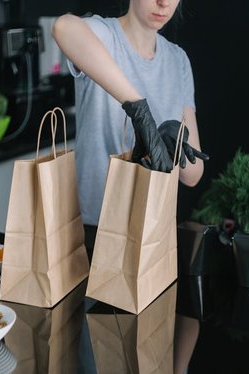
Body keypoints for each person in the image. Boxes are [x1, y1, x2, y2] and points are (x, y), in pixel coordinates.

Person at [52, 0, 207, 234]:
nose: (163, 3)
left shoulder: (178, 60)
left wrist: (175, 141)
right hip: (94, 227)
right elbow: (63, 27)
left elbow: (193, 176)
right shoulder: (105, 36)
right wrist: (139, 111)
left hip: (150, 229)